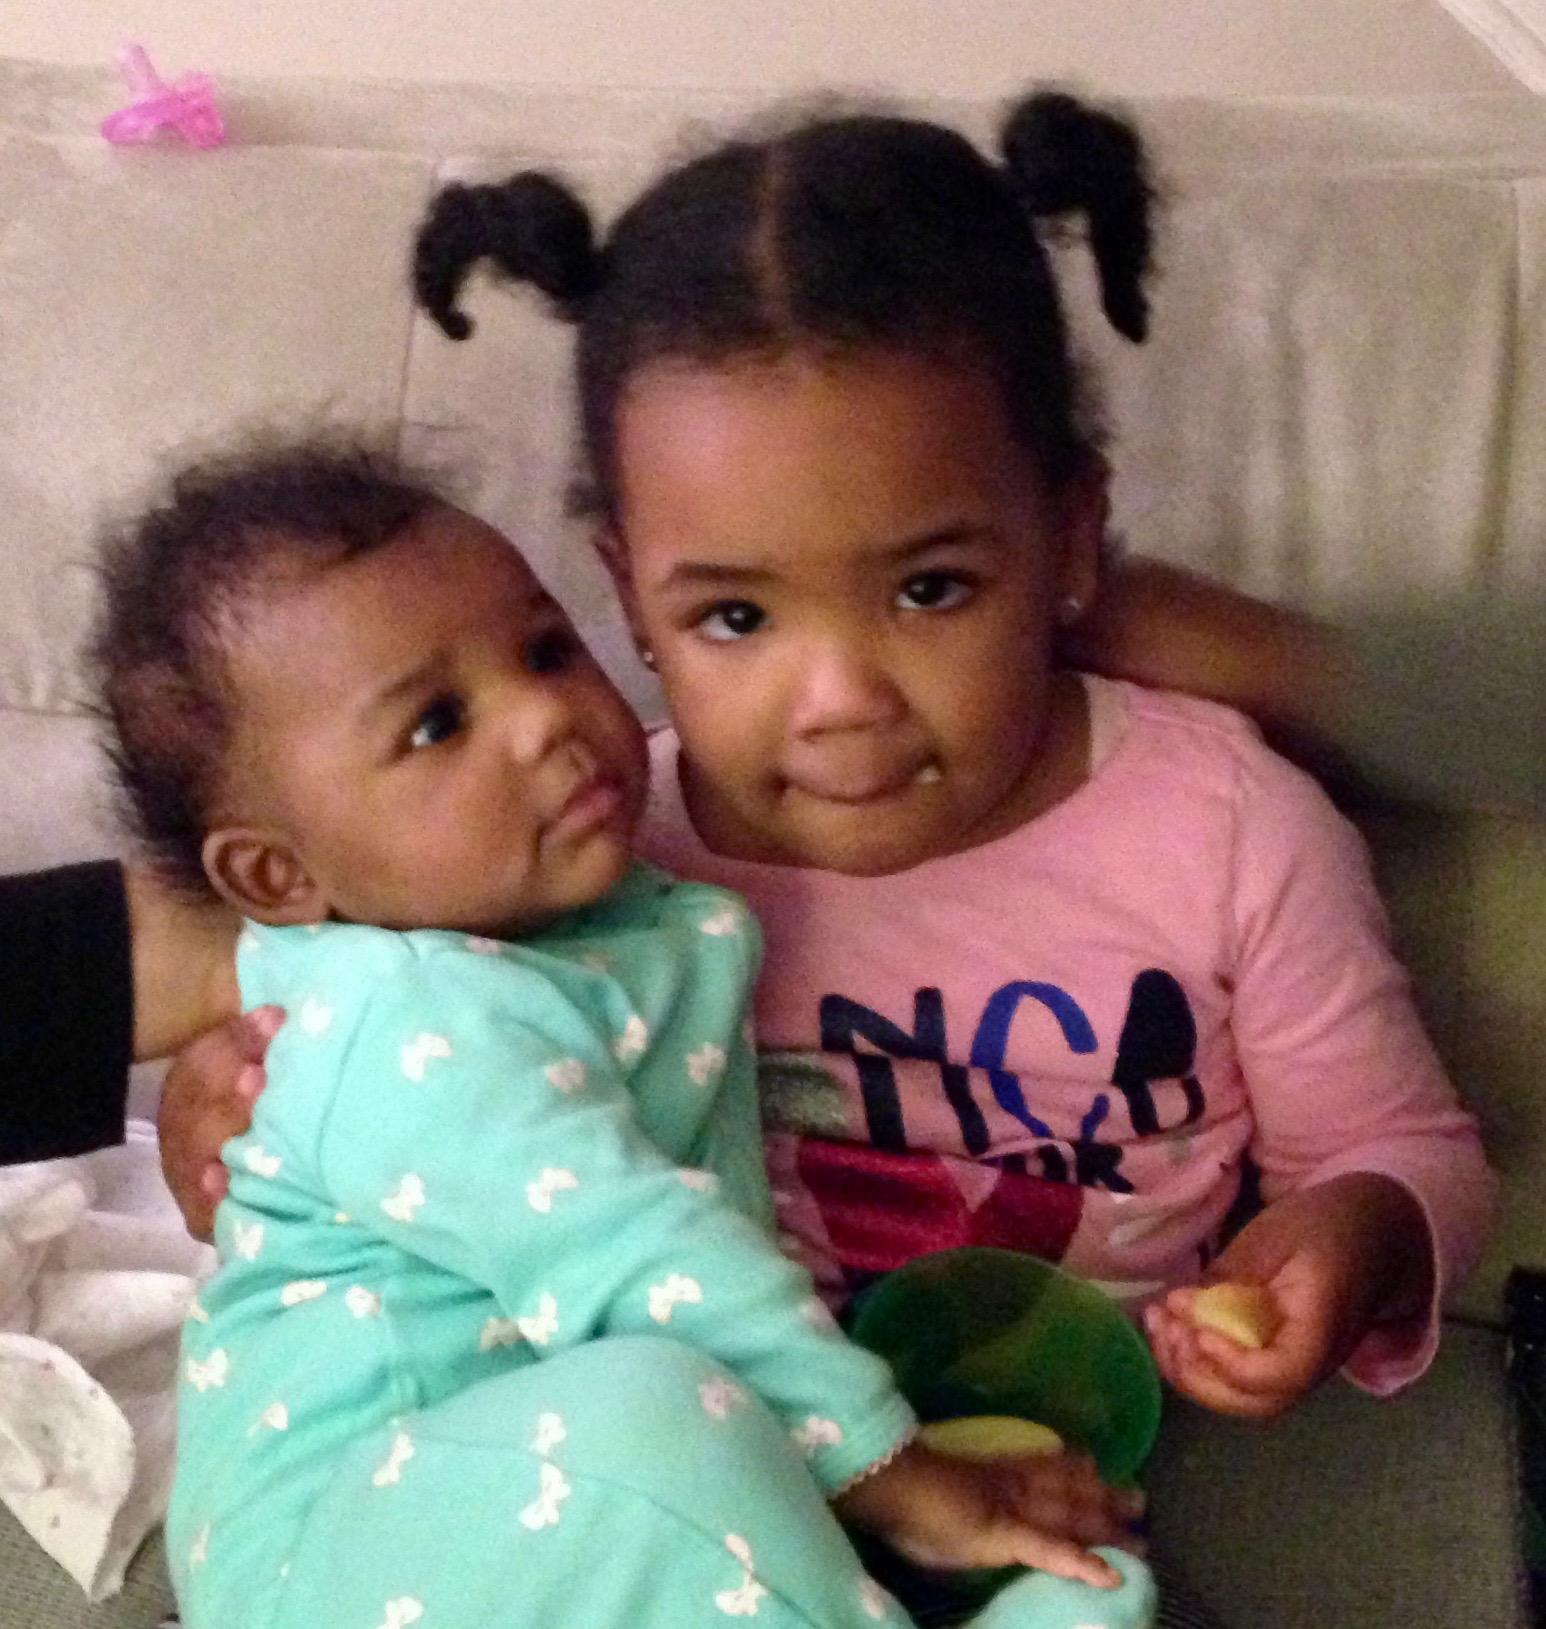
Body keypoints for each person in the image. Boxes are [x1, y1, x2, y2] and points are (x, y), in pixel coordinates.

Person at [407, 86, 1496, 1423]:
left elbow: (1403, 1147)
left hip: (1098, 1437)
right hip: (711, 1442)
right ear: (630, 598)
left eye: (929, 590)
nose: (840, 702)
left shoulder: (1229, 831)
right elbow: (407, 1070)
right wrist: (236, 1098)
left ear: (1070, 540)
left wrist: (1352, 1237)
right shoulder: (590, 849)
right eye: (735, 617)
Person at [93, 441, 1154, 1629]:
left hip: (550, 1520)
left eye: (546, 650)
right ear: (280, 876)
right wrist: (900, 1482)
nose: (545, 716)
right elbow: (644, 1260)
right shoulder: (404, 1015)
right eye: (437, 724)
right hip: (345, 1557)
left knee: (706, 1439)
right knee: (659, 1407)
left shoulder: (590, 917)